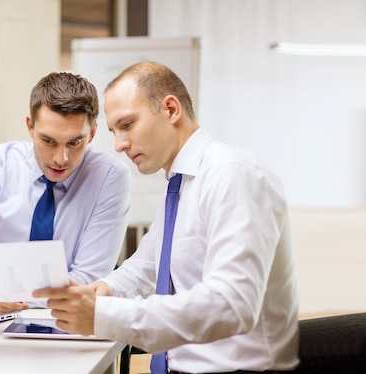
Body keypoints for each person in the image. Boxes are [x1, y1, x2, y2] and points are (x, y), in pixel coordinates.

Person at [33, 61, 299, 373]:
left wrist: (103, 316)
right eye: (114, 131)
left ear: (170, 109)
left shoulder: (233, 176)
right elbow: (147, 266)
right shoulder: (180, 186)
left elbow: (233, 304)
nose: (119, 145)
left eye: (127, 125)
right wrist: (99, 291)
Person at [0, 71, 132, 312]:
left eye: (74, 143)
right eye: (48, 141)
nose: (60, 159)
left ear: (92, 133)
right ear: (30, 126)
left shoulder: (110, 178)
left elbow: (86, 283)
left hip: (68, 323)